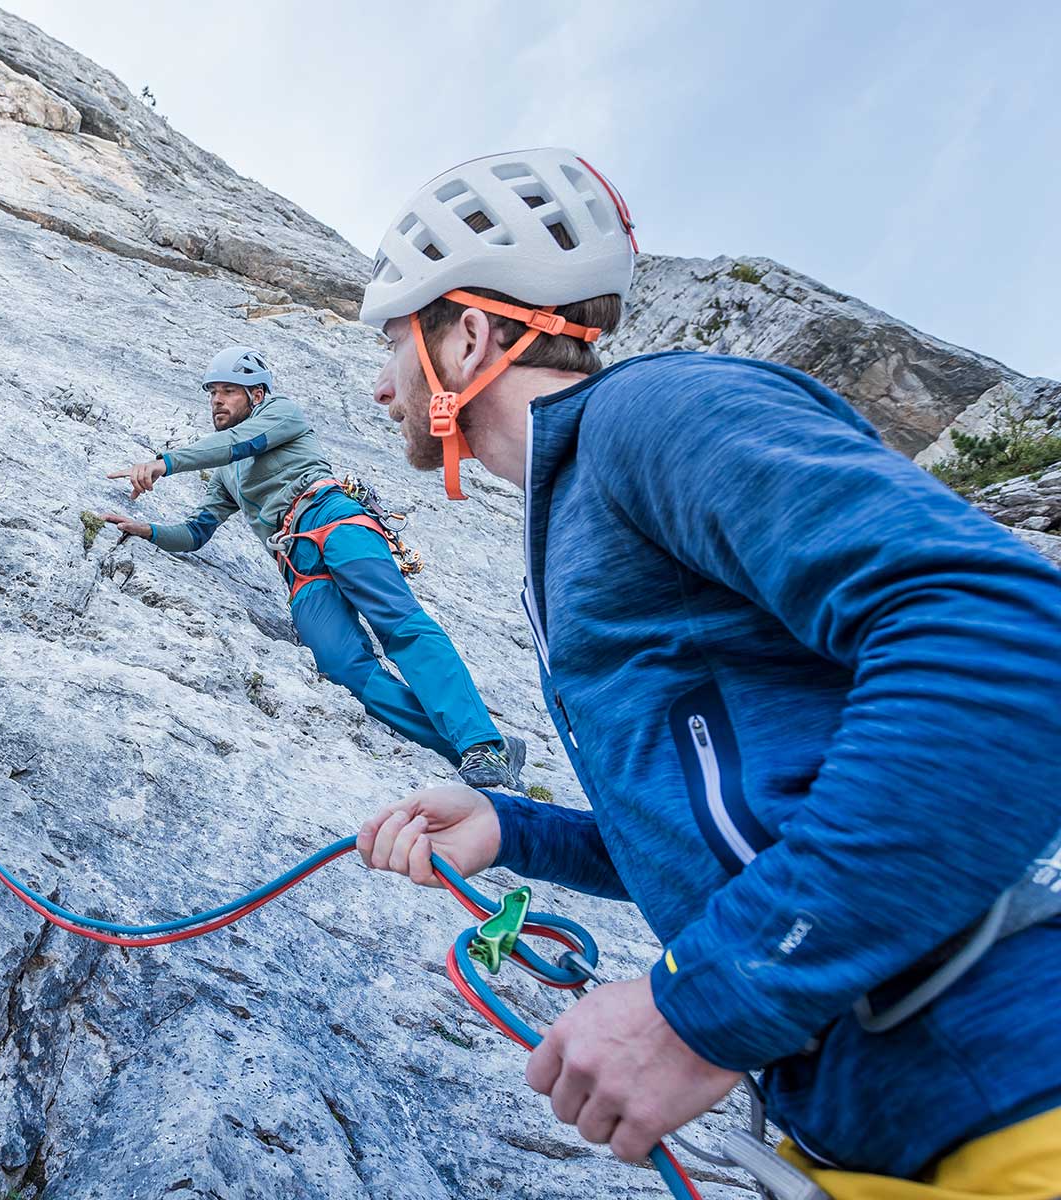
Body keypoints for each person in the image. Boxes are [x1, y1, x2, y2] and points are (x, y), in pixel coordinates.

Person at [352, 147, 1061, 1197]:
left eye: (392, 346)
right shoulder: (573, 520)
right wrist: (520, 829)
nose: (379, 385)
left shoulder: (654, 413)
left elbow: (1002, 642)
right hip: (873, 1120)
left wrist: (708, 1003)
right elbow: (745, 809)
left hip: (1005, 1086)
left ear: (465, 336)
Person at [100, 348, 525, 789]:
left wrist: (164, 462)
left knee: (400, 625)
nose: (217, 401)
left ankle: (481, 744)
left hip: (333, 519)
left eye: (228, 391)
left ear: (257, 393)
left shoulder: (281, 414)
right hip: (296, 562)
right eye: (213, 393)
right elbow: (196, 532)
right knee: (342, 668)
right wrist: (146, 530)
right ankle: (475, 749)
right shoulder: (229, 473)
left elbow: (234, 444)